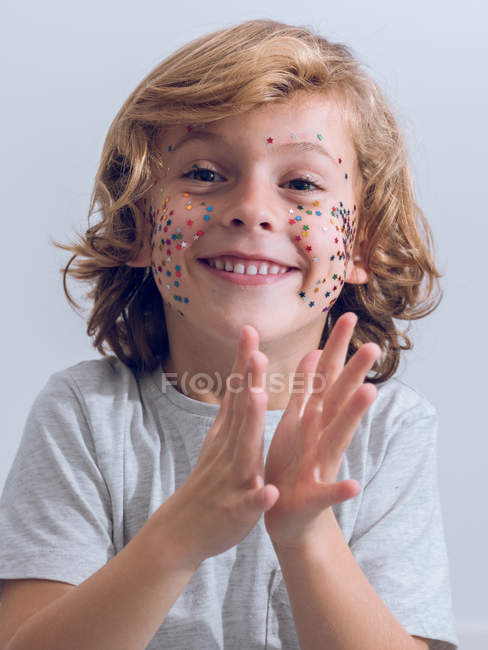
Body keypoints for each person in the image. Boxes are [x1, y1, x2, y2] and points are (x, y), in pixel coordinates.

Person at [0, 18, 458, 650]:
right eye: (205, 174)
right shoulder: (85, 416)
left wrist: (305, 532)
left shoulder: (389, 432)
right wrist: (181, 533)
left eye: (301, 183)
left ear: (364, 245)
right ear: (136, 224)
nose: (252, 208)